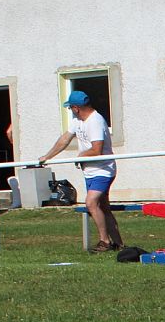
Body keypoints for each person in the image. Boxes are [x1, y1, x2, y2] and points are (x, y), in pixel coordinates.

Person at [37, 91, 121, 252]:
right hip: (90, 171)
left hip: (103, 170)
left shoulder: (95, 121)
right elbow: (64, 140)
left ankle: (105, 241)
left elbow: (97, 149)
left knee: (91, 202)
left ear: (76, 108)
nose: (71, 111)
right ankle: (119, 243)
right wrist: (47, 156)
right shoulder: (78, 121)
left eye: (70, 108)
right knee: (103, 207)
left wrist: (80, 156)